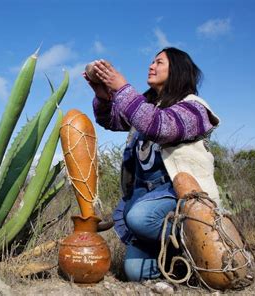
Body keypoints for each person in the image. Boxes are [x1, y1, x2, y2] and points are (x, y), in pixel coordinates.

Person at [84, 47, 222, 281]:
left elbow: (160, 126)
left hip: (179, 196)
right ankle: (183, 264)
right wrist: (103, 94)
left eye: (159, 62)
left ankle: (206, 238)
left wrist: (121, 87)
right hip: (145, 198)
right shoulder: (148, 106)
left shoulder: (194, 108)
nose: (151, 66)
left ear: (177, 70)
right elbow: (110, 120)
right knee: (135, 272)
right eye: (151, 61)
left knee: (139, 217)